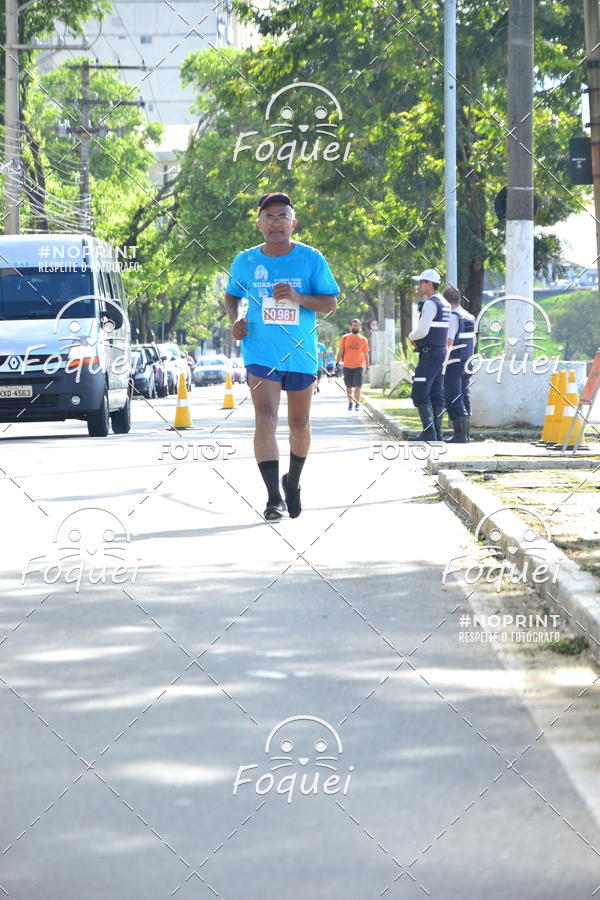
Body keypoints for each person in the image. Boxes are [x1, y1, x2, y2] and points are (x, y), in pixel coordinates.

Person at [224, 192, 339, 520]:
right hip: (261, 350)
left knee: (299, 423)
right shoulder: (245, 261)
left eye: (282, 216)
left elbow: (330, 303)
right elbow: (231, 295)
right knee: (265, 418)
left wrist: (299, 296)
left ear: (293, 222)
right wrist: (235, 320)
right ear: (259, 224)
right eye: (269, 217)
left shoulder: (310, 258)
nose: (276, 223)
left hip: (302, 351)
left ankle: (293, 482)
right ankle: (274, 496)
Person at [408, 268, 451, 441]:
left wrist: (411, 336)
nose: (419, 286)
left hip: (430, 353)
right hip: (440, 353)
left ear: (429, 284)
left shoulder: (431, 303)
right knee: (436, 393)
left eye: (421, 282)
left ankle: (429, 431)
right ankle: (437, 432)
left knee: (419, 392)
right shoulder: (445, 303)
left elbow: (422, 331)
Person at [443, 285, 476, 443]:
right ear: (459, 299)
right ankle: (466, 434)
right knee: (465, 394)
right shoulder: (470, 316)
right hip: (468, 360)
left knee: (453, 395)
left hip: (455, 361)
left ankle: (460, 435)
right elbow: (473, 340)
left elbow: (449, 342)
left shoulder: (452, 317)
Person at [336, 319, 370, 411]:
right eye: (354, 325)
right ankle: (350, 402)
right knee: (349, 386)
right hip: (347, 365)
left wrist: (367, 367)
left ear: (360, 327)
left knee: (358, 386)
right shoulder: (345, 337)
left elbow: (366, 354)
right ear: (351, 326)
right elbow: (340, 351)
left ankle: (357, 404)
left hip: (359, 366)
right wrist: (337, 363)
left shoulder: (363, 339)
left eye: (357, 325)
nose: (355, 327)